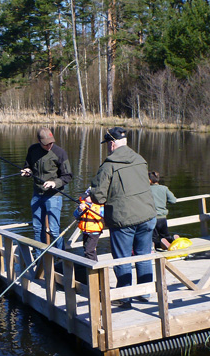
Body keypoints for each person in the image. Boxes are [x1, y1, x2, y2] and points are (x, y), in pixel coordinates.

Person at [88, 127, 157, 297]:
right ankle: (145, 293)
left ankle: (125, 296)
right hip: (147, 215)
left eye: (107, 144)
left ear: (111, 144)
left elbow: (98, 197)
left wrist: (90, 194)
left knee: (123, 258)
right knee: (143, 255)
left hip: (123, 219)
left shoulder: (108, 166)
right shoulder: (140, 159)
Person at [21, 127, 73, 250]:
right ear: (39, 141)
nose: (49, 145)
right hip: (37, 195)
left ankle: (61, 258)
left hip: (53, 196)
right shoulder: (32, 150)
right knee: (37, 228)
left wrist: (54, 183)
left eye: (51, 142)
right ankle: (41, 260)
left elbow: (68, 176)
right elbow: (28, 165)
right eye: (46, 144)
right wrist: (27, 171)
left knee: (54, 230)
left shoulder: (60, 153)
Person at [149, 171, 179, 250]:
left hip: (152, 217)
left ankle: (155, 247)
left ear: (149, 180)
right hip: (162, 217)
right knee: (165, 235)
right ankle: (172, 241)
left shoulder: (146, 190)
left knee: (153, 237)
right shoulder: (164, 188)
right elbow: (173, 200)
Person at [75, 188, 104, 261]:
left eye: (86, 196)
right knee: (86, 248)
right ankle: (89, 265)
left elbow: (103, 215)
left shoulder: (100, 206)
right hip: (85, 231)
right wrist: (80, 210)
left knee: (89, 250)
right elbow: (75, 215)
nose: (84, 198)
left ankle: (94, 268)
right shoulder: (83, 205)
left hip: (94, 232)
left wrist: (91, 209)